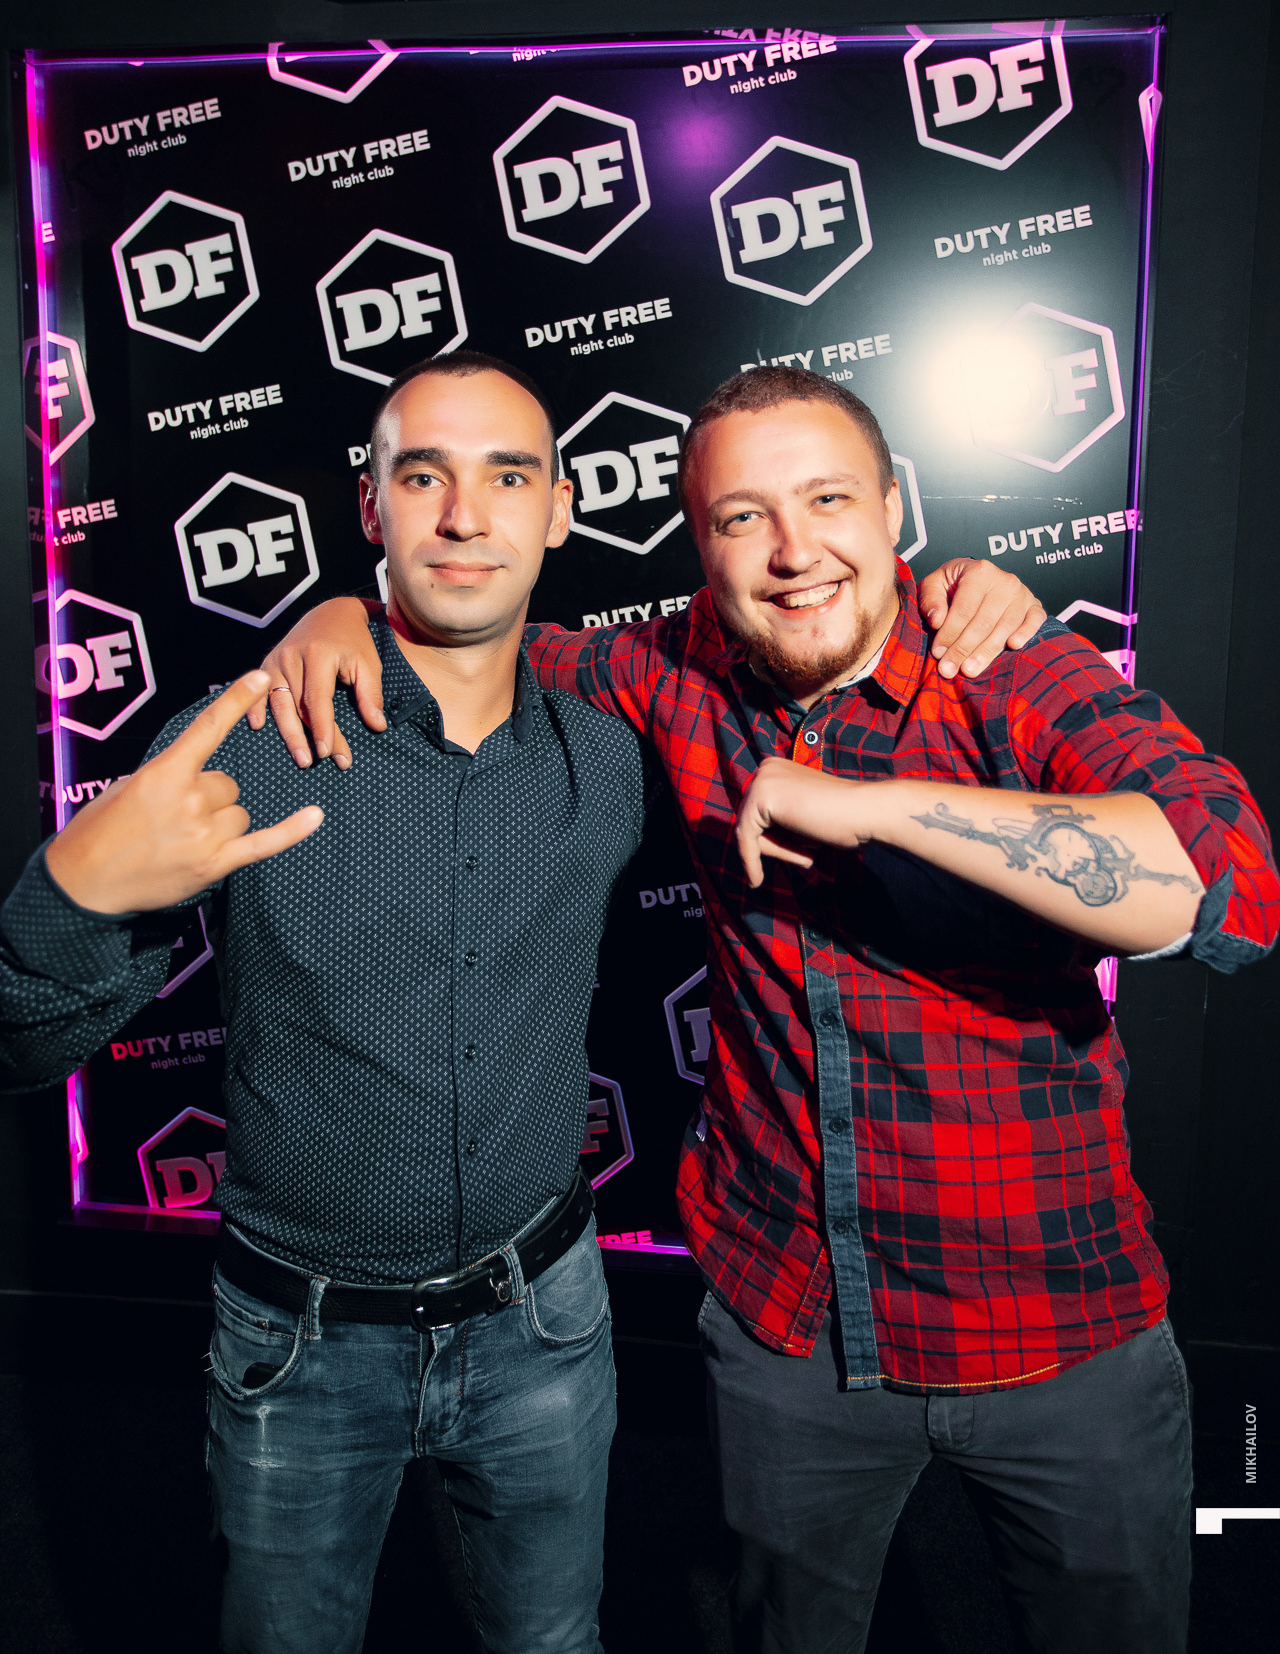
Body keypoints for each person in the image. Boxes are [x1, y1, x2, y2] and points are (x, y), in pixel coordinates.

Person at [0, 352, 1038, 1654]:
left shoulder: (610, 745)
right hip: (297, 1344)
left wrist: (958, 592)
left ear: (558, 510)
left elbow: (803, 657)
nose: (462, 516)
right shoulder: (249, 741)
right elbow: (26, 1046)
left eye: (506, 477)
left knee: (552, 1642)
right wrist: (68, 894)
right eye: (421, 477)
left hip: (544, 1323)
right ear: (369, 506)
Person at [267, 362, 1279, 1654]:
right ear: (701, 546)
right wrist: (346, 615)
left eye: (829, 500)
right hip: (786, 1325)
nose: (795, 552)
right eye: (743, 517)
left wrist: (876, 809)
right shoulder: (675, 667)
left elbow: (1228, 889)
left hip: (1057, 1328)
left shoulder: (1009, 669)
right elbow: (479, 624)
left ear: (895, 507)